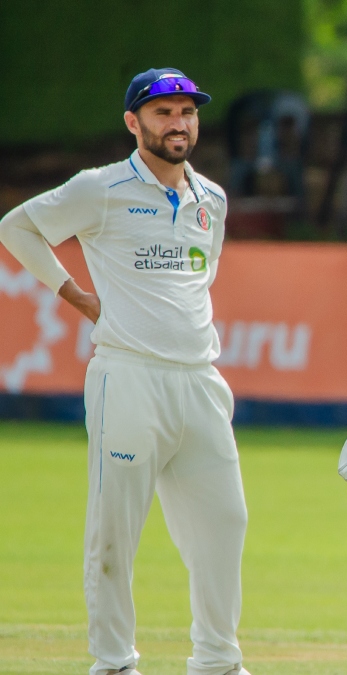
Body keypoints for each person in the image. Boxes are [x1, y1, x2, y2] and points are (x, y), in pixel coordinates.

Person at [0, 69, 249, 675]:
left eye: (187, 112)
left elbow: (200, 277)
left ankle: (217, 660)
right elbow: (17, 227)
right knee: (115, 533)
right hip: (128, 377)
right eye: (163, 112)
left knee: (226, 523)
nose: (178, 123)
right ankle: (114, 662)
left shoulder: (210, 198)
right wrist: (78, 296)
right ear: (134, 123)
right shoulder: (101, 188)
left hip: (199, 380)